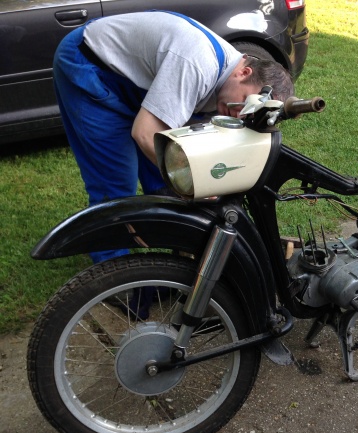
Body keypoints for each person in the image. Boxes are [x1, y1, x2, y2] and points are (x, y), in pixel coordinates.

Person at [53, 11, 294, 263]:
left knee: (166, 175)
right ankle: (110, 270)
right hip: (90, 61)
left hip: (136, 78)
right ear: (243, 73)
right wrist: (194, 184)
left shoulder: (229, 83)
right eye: (243, 102)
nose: (239, 114)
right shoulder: (196, 65)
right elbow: (144, 133)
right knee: (115, 182)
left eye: (248, 112)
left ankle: (172, 250)